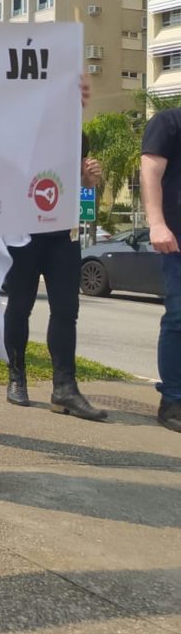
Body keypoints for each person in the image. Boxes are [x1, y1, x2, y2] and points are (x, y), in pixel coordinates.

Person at [1, 142, 107, 421]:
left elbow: (86, 204)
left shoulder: (72, 128)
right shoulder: (25, 125)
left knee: (66, 311)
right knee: (20, 306)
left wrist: (88, 182)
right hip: (24, 235)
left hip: (62, 237)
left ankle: (64, 388)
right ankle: (16, 376)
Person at [138, 110, 181, 432]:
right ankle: (173, 400)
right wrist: (156, 224)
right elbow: (150, 172)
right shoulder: (169, 122)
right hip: (176, 238)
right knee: (179, 317)